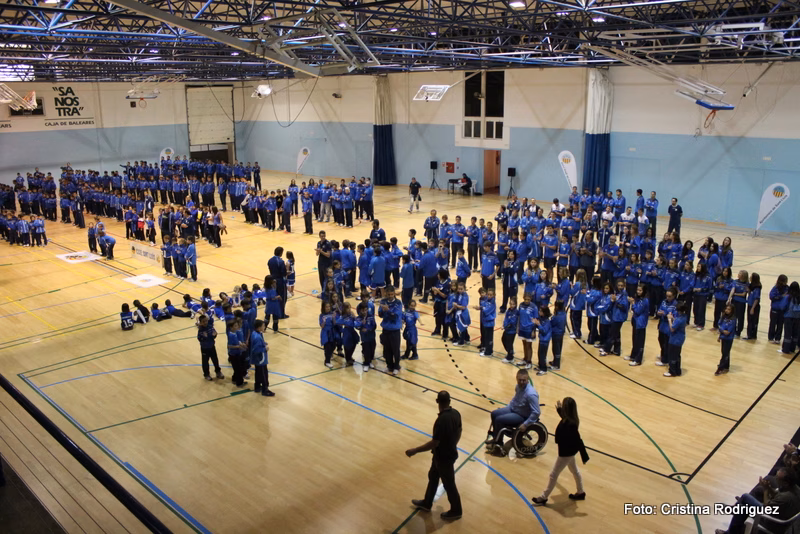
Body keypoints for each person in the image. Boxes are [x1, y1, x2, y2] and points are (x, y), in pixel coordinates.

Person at [406, 390, 463, 521]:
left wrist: (415, 450)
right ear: (450, 401)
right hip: (443, 454)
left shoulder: (441, 420)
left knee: (449, 484)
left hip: (444, 457)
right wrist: (453, 444)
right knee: (433, 476)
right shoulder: (456, 413)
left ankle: (456, 510)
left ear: (437, 401)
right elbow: (459, 431)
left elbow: (434, 443)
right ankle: (427, 503)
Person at [532, 397, 587, 505]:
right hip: (569, 452)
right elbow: (565, 420)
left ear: (566, 409)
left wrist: (581, 454)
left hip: (566, 453)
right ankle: (580, 492)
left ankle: (543, 497)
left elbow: (576, 439)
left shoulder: (570, 425)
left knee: (553, 474)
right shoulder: (570, 419)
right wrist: (559, 411)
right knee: (574, 471)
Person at [714, 467, 800, 534]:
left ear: (785, 483)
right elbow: (777, 495)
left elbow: (766, 507)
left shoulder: (785, 497)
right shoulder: (794, 488)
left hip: (773, 522)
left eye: (777, 478)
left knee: (745, 498)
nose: (775, 479)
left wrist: (766, 489)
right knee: (745, 503)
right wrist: (768, 487)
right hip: (781, 515)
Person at [250, 319, 274, 396]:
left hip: (258, 360)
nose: (264, 327)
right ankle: (265, 390)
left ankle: (257, 387)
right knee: (264, 375)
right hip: (260, 359)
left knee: (258, 373)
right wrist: (264, 349)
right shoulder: (257, 337)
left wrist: (263, 343)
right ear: (259, 327)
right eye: (263, 326)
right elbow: (256, 350)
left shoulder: (255, 333)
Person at [197, 314, 224, 381]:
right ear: (201, 322)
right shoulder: (200, 330)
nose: (205, 322)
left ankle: (218, 372)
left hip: (212, 346)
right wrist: (204, 337)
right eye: (203, 321)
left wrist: (215, 335)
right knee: (205, 362)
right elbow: (199, 339)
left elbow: (213, 334)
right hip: (205, 348)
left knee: (215, 360)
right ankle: (206, 374)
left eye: (206, 321)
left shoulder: (210, 327)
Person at [716, 304, 736, 375]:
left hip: (729, 339)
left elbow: (727, 332)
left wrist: (721, 330)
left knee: (725, 353)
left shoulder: (733, 320)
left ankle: (720, 368)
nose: (727, 310)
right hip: (723, 338)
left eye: (729, 309)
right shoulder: (723, 317)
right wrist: (720, 336)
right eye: (726, 309)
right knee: (724, 352)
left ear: (732, 311)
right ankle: (726, 366)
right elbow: (720, 325)